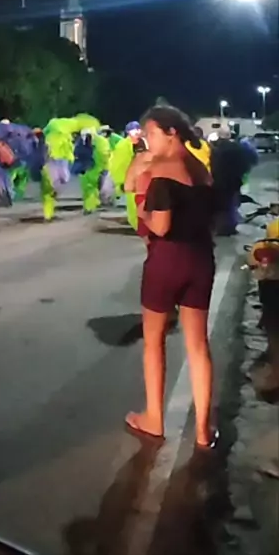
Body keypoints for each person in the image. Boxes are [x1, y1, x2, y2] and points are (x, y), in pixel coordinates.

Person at [125, 105, 217, 449]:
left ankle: (154, 418)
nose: (147, 140)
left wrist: (143, 209)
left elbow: (160, 226)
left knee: (154, 341)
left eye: (151, 133)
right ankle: (203, 429)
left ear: (170, 132)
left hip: (167, 261)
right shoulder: (201, 169)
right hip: (201, 259)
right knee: (198, 345)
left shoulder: (162, 170)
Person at [210, 127, 249, 236]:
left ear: (219, 136)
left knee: (220, 206)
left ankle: (221, 228)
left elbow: (213, 165)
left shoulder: (216, 148)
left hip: (219, 181)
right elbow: (244, 165)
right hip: (234, 181)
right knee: (232, 203)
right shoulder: (238, 148)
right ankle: (231, 227)